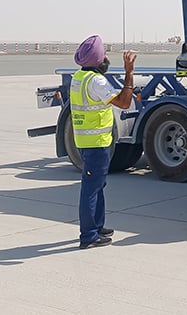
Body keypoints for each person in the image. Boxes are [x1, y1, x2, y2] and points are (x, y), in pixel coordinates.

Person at [70, 35, 136, 249]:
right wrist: (129, 73)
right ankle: (88, 235)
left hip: (86, 140)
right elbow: (124, 103)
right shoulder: (96, 81)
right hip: (96, 142)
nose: (106, 58)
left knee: (97, 185)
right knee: (91, 188)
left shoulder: (79, 76)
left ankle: (97, 226)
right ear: (97, 59)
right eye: (104, 54)